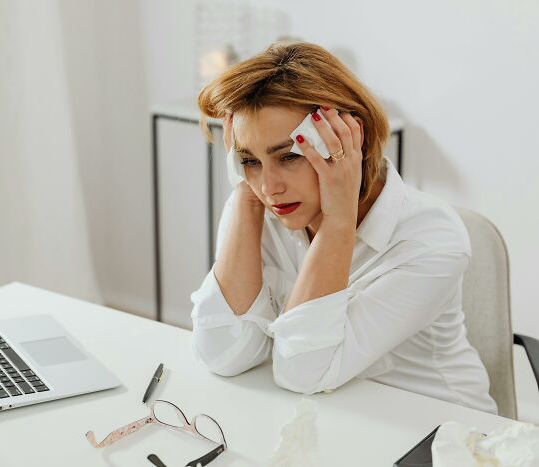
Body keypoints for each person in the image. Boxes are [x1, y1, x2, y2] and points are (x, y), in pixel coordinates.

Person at [190, 41, 497, 414]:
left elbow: (302, 373)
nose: (269, 187)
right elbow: (222, 354)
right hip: (333, 420)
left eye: (288, 156)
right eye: (249, 160)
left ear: (349, 137)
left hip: (438, 430)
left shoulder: (431, 239)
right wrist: (244, 199)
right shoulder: (259, 204)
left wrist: (338, 221)